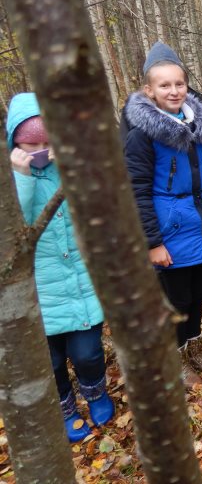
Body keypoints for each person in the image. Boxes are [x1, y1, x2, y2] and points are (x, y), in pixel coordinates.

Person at [6, 92, 114, 443]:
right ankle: (65, 408)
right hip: (38, 293)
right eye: (29, 144)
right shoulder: (9, 181)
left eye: (45, 142)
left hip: (80, 283)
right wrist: (21, 177)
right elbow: (13, 234)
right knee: (50, 362)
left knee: (87, 352)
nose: (39, 150)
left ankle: (96, 393)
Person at [123, 41, 202, 387]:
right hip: (168, 229)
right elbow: (136, 192)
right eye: (164, 85)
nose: (173, 91)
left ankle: (193, 346)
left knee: (198, 293)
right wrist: (152, 242)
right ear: (149, 90)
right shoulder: (141, 136)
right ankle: (174, 356)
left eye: (178, 84)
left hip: (199, 221)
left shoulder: (196, 126)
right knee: (175, 299)